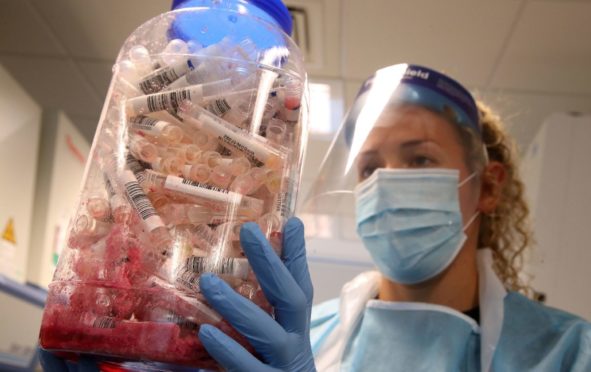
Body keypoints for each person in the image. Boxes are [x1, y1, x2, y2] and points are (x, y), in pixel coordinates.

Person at [40, 64, 591, 371]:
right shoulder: (291, 340)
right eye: (370, 166)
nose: (386, 182)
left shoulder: (567, 353)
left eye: (419, 159)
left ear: (487, 187)